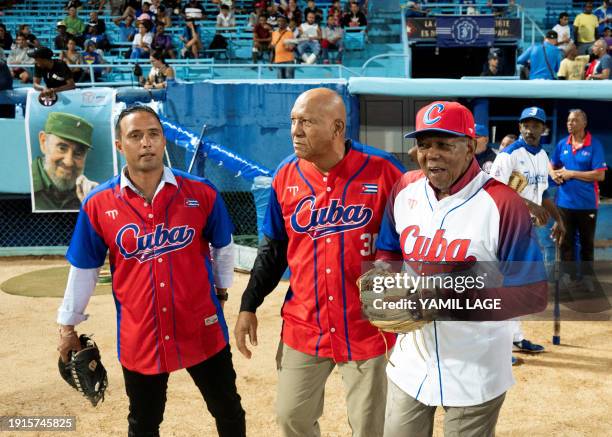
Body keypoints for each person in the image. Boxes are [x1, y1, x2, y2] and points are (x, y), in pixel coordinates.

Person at [56, 105, 246, 436]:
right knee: (143, 422)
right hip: (141, 333)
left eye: (154, 134)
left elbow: (223, 246)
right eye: (135, 136)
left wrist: (220, 290)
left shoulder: (201, 192)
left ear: (163, 141)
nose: (146, 143)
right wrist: (67, 326)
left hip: (201, 326)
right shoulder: (99, 204)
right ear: (119, 146)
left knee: (228, 410)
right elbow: (84, 269)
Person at [234, 88, 405, 437]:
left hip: (367, 327)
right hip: (305, 325)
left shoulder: (384, 171)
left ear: (337, 128)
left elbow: (410, 241)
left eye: (307, 122)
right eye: (293, 121)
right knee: (290, 416)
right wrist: (248, 304)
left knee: (369, 426)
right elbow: (274, 249)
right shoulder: (286, 175)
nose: (296, 130)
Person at [377, 100, 548, 437]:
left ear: (470, 147)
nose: (432, 154)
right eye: (424, 145)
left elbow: (533, 294)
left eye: (444, 144)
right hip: (411, 361)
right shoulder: (404, 191)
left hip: (476, 365)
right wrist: (386, 286)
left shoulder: (502, 203)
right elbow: (388, 253)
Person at [489, 106, 565, 362]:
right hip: (504, 229)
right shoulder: (509, 155)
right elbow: (497, 192)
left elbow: (543, 193)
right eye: (527, 124)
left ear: (543, 129)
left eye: (536, 125)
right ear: (520, 127)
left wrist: (559, 219)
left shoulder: (543, 155)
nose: (531, 129)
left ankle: (515, 337)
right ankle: (499, 345)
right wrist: (530, 206)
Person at [550, 109, 607, 284]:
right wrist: (554, 174)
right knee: (565, 241)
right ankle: (570, 276)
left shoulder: (594, 145)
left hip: (587, 204)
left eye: (574, 120)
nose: (570, 123)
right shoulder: (562, 144)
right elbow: (551, 165)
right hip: (564, 203)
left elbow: (600, 175)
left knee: (586, 243)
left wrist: (572, 173)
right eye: (568, 120)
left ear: (584, 123)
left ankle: (588, 277)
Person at [31, 112, 97, 211]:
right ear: (43, 142)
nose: (69, 162)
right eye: (62, 148)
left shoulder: (87, 193)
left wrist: (98, 203)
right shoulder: (24, 181)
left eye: (78, 153)